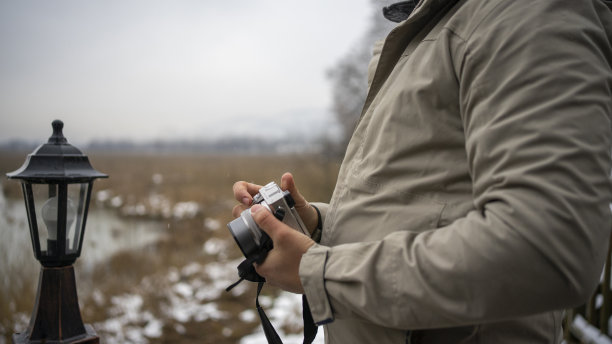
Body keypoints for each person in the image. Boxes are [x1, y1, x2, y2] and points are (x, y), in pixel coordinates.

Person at [232, 0, 612, 342]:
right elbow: (421, 203)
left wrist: (319, 272)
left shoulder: (521, 12)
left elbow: (547, 245)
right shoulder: (431, 26)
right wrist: (317, 225)